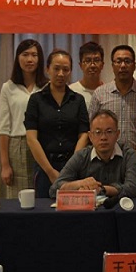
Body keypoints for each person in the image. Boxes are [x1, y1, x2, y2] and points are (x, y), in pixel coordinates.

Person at [25, 49, 89, 197]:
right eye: (56, 69)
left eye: (65, 69)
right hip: (44, 166)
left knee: (73, 207)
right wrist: (50, 171)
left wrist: (71, 166)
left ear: (70, 71)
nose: (61, 74)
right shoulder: (36, 100)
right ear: (47, 69)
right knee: (43, 208)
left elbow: (84, 134)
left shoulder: (78, 100)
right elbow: (31, 138)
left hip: (73, 166)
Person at [50, 109, 136, 199]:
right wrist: (80, 184)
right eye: (98, 132)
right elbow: (54, 190)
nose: (103, 137)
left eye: (109, 132)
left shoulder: (129, 155)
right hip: (88, 207)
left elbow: (131, 189)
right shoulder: (81, 156)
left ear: (117, 134)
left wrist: (102, 189)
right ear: (90, 136)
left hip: (120, 206)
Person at [0, 39, 47, 197]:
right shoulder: (8, 87)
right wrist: (5, 165)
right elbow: (3, 128)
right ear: (18, 58)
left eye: (34, 55)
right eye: (25, 54)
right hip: (17, 145)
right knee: (18, 197)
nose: (29, 59)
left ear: (40, 59)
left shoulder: (47, 86)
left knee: (42, 192)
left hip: (43, 143)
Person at [89, 45, 136, 161]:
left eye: (127, 61)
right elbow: (92, 127)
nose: (123, 65)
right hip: (106, 159)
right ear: (112, 66)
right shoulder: (100, 93)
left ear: (134, 65)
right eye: (118, 61)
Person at [69, 41, 104, 108]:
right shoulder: (71, 92)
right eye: (88, 61)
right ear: (80, 65)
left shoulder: (108, 92)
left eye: (96, 60)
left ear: (102, 65)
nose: (92, 65)